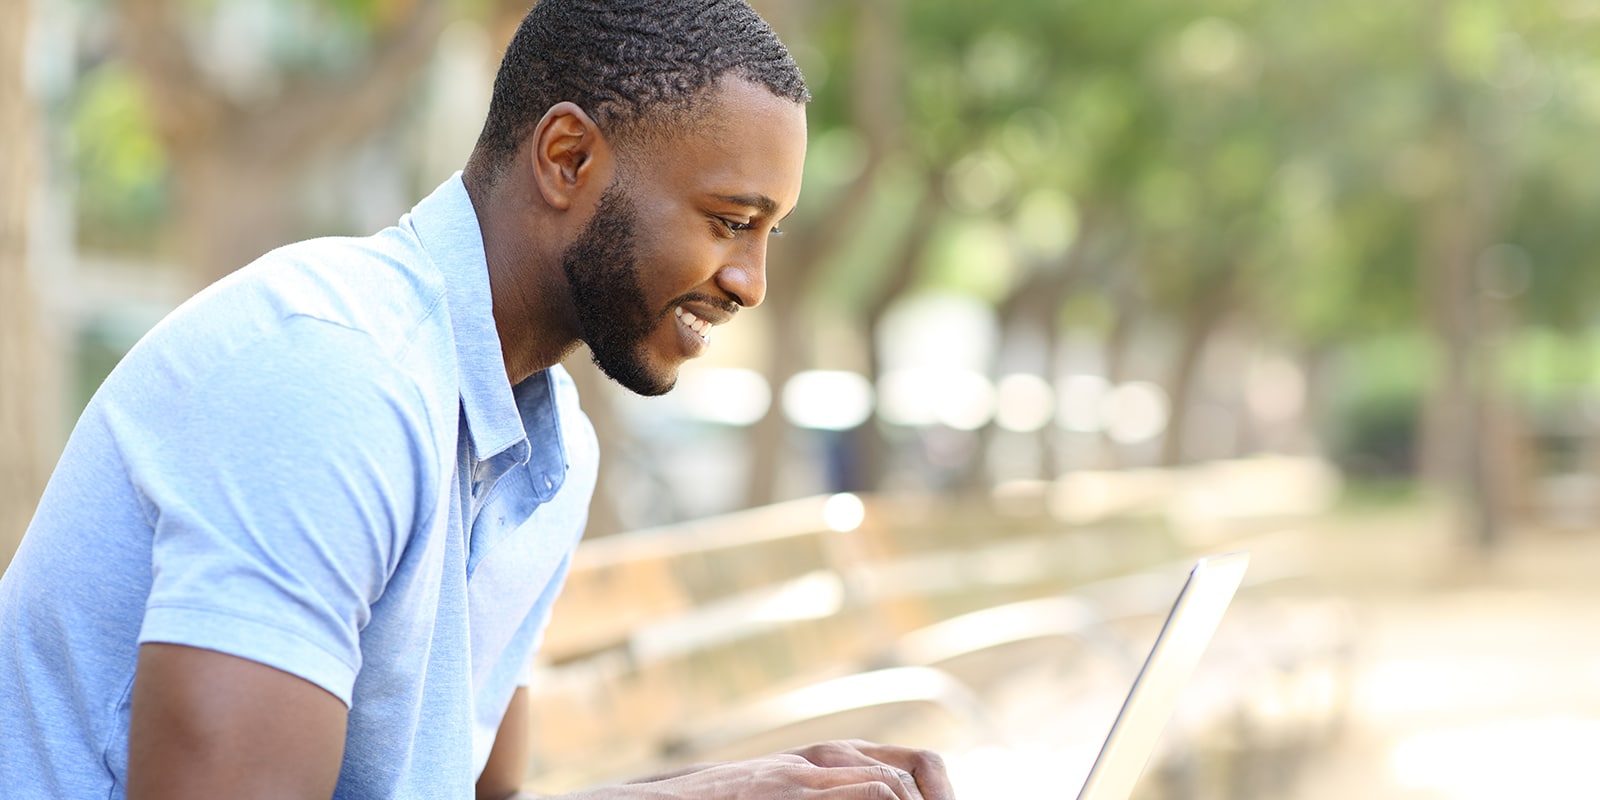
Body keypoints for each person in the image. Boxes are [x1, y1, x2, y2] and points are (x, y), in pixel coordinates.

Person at [0, 1, 957, 798]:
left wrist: (730, 789)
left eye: (768, 235)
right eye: (729, 222)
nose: (747, 281)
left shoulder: (547, 449)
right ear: (568, 159)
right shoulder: (330, 378)